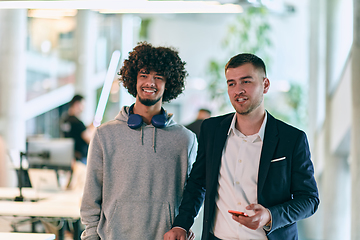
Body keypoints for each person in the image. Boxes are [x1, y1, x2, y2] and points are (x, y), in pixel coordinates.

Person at [164, 53, 319, 240]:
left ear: (265, 85)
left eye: (246, 82)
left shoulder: (292, 138)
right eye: (232, 83)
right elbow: (198, 183)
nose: (238, 90)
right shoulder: (212, 130)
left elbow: (309, 200)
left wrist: (270, 216)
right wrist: (181, 225)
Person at [80, 42, 198, 240]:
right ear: (133, 79)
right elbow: (91, 198)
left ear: (169, 83)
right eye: (144, 75)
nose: (150, 83)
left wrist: (184, 227)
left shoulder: (185, 139)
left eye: (158, 77)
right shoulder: (104, 135)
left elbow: (192, 196)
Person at [60, 94, 94, 164]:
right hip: (80, 159)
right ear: (77, 104)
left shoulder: (65, 120)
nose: (83, 108)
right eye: (82, 105)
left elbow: (75, 133)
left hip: (69, 157)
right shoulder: (77, 123)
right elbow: (89, 139)